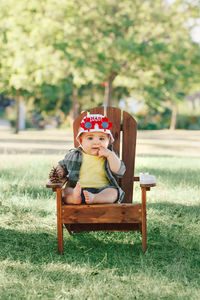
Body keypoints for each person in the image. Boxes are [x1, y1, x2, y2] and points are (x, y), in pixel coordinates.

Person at [55, 113, 126, 204]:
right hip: (78, 190)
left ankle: (94, 198)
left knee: (114, 192)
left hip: (102, 191)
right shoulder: (74, 155)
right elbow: (62, 165)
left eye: (101, 139)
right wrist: (59, 172)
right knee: (65, 191)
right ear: (81, 141)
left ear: (108, 141)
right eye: (90, 138)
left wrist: (109, 155)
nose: (96, 142)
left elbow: (119, 171)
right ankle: (74, 198)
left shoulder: (110, 155)